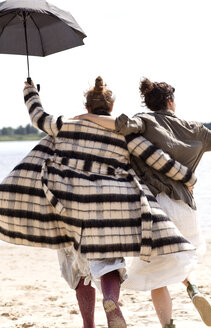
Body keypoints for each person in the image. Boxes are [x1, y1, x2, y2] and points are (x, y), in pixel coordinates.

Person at [0, 77, 196, 328]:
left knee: (78, 264)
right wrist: (188, 177)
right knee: (109, 261)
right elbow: (156, 158)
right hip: (111, 204)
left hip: (71, 203)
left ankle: (88, 325)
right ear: (111, 108)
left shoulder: (66, 125)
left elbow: (38, 117)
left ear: (88, 106)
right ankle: (111, 300)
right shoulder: (122, 131)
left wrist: (30, 91)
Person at [74, 77, 211, 328]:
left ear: (149, 102)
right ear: (171, 101)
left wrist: (86, 117)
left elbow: (118, 124)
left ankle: (168, 324)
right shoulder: (197, 130)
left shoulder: (144, 121)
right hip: (185, 208)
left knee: (157, 277)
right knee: (181, 258)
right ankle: (193, 289)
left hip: (154, 211)